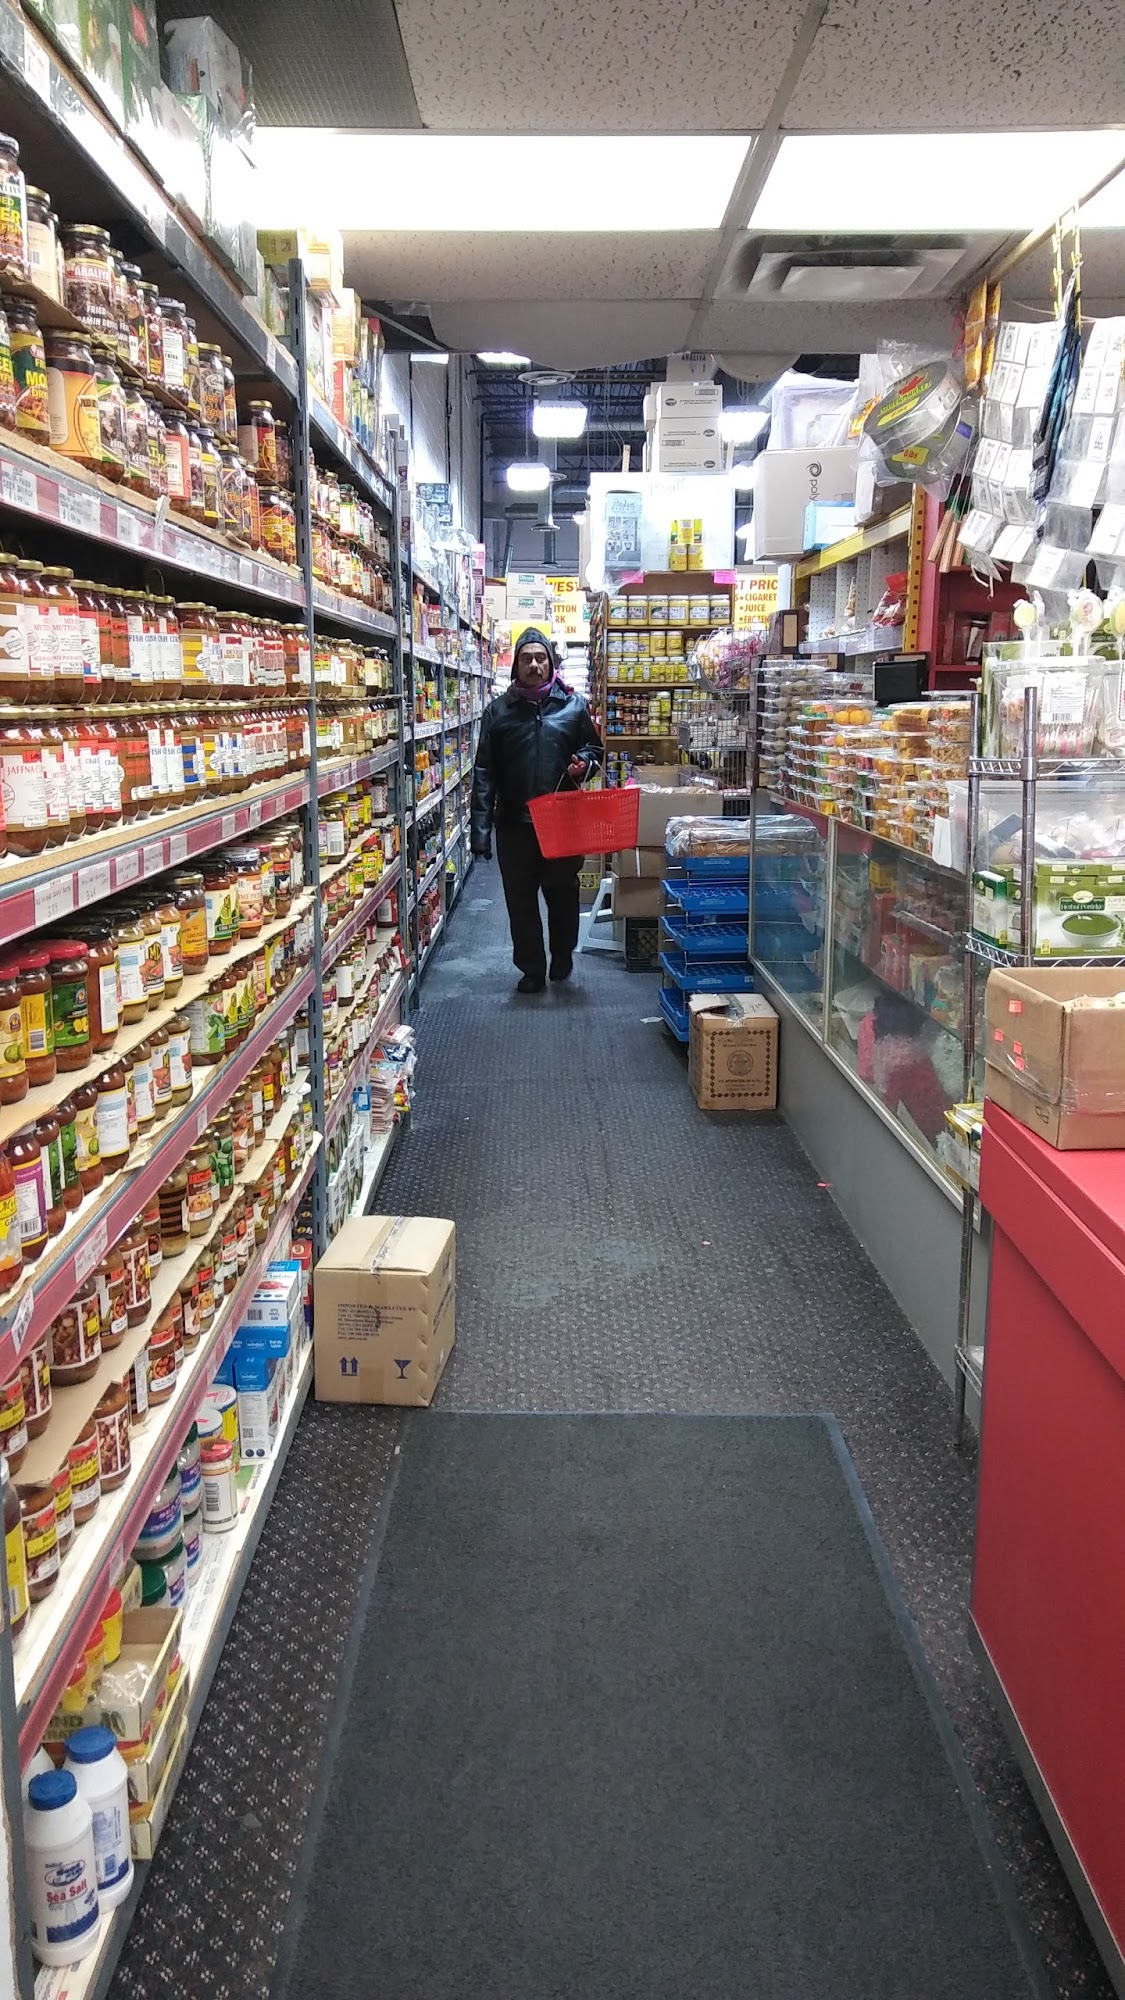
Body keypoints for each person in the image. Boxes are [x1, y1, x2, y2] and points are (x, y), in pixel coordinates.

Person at [471, 626, 603, 993]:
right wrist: (480, 832)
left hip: (562, 821)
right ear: (516, 664)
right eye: (527, 658)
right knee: (520, 901)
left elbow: (594, 750)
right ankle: (531, 969)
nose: (534, 665)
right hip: (514, 823)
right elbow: (484, 773)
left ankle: (562, 954)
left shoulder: (574, 706)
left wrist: (584, 763)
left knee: (564, 895)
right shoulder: (498, 712)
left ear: (551, 663)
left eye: (540, 658)